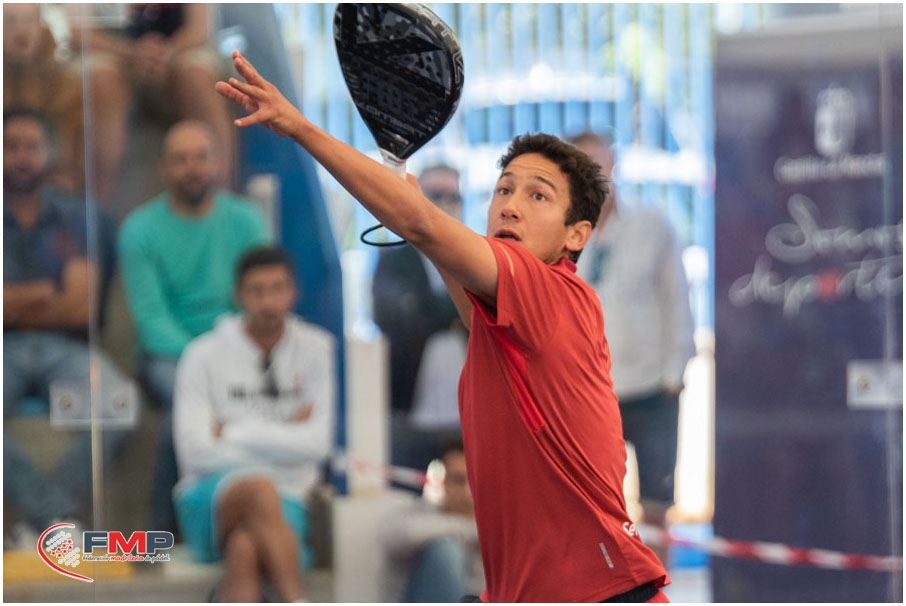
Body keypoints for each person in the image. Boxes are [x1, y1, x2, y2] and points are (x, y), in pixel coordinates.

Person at [217, 50, 669, 602]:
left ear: (576, 235)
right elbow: (428, 235)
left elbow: (421, 224)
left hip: (600, 591)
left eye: (538, 195)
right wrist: (409, 201)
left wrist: (300, 128)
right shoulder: (502, 317)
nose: (511, 206)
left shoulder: (552, 291)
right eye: (504, 189)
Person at [118, 119, 268, 534]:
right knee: (185, 413)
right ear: (163, 169)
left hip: (237, 345)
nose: (192, 168)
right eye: (181, 159)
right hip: (169, 354)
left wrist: (230, 353)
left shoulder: (247, 221)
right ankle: (164, 533)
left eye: (201, 157)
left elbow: (259, 296)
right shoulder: (139, 230)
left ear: (218, 163)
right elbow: (151, 319)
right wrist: (205, 363)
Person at [173, 245, 336, 602]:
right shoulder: (201, 355)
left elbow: (318, 445)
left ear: (294, 291)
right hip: (208, 496)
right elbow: (195, 451)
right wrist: (286, 436)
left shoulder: (318, 348)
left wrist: (232, 431)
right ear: (238, 295)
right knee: (259, 489)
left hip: (290, 497)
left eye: (278, 289)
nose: (268, 302)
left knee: (245, 547)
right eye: (256, 291)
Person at [571, 131, 696, 567]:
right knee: (592, 503)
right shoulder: (561, 233)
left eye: (599, 163)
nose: (593, 174)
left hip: (652, 386)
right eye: (581, 166)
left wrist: (674, 376)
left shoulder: (652, 226)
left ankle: (657, 586)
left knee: (658, 503)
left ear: (613, 165)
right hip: (589, 392)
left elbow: (677, 300)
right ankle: (604, 586)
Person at [3, 109, 128, 541]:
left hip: (65, 348)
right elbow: (65, 299)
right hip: (3, 348)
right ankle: (53, 517)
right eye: (11, 147)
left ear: (49, 153)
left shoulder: (74, 216)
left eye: (31, 147)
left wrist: (11, 300)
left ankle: (40, 518)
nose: (21, 157)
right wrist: (41, 292)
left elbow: (80, 308)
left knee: (118, 406)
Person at [71, 3, 235, 202]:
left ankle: (223, 202)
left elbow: (200, 29)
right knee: (101, 84)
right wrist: (132, 52)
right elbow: (78, 32)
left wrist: (164, 53)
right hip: (114, 54)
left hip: (178, 51)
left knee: (197, 79)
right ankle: (98, 207)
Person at [372, 164, 461, 473]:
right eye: (436, 194)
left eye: (453, 196)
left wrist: (429, 309)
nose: (445, 203)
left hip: (466, 412)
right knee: (404, 488)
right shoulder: (394, 258)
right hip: (410, 408)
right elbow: (399, 319)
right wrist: (452, 312)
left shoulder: (470, 255)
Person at [381, 440, 483, 602]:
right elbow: (400, 535)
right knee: (446, 550)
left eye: (475, 480)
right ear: (441, 480)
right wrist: (475, 530)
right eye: (458, 480)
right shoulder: (420, 512)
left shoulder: (495, 523)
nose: (467, 493)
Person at [3, 3, 84, 194]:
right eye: (9, 21)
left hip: (49, 185)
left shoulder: (66, 86)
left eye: (29, 21)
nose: (21, 31)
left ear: (42, 27)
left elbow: (72, 161)